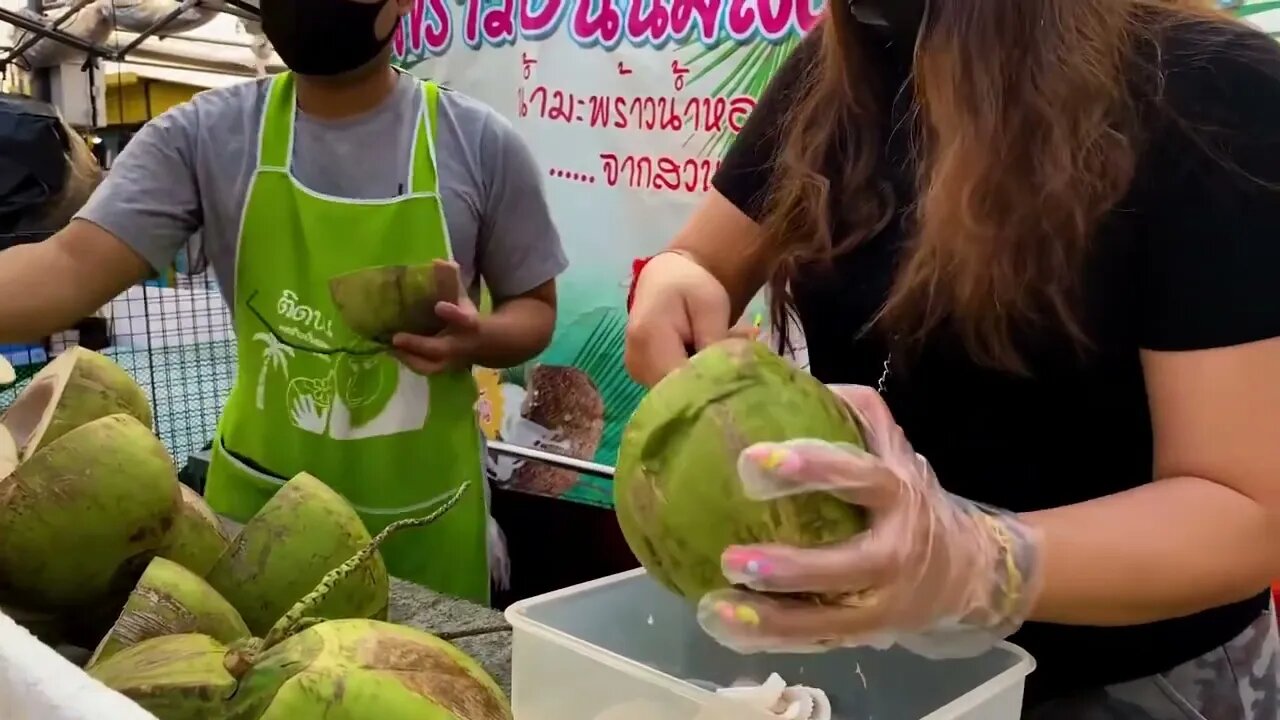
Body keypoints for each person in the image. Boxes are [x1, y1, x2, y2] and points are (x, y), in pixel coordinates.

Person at [624, 0, 1280, 717]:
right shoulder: (845, 61)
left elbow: (1248, 510)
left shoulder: (1212, 90)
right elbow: (705, 256)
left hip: (1131, 681)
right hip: (879, 666)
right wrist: (678, 276)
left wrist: (979, 561)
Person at [0, 0, 566, 607]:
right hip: (261, 523)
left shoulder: (478, 143)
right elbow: (66, 266)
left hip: (423, 522)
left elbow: (534, 309)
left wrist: (481, 338)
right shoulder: (204, 137)